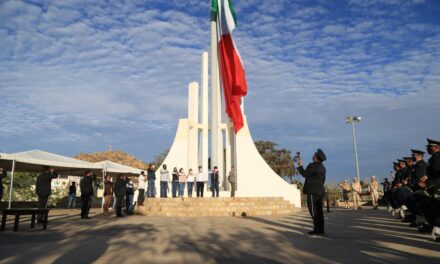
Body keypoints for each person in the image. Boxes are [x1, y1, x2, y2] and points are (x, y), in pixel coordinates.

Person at [297, 149, 327, 235]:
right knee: (319, 211)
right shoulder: (322, 168)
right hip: (320, 192)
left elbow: (305, 174)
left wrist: (300, 166)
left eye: (314, 154)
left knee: (313, 211)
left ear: (316, 157)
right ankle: (321, 229)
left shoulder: (313, 166)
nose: (313, 155)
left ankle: (317, 229)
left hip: (312, 192)